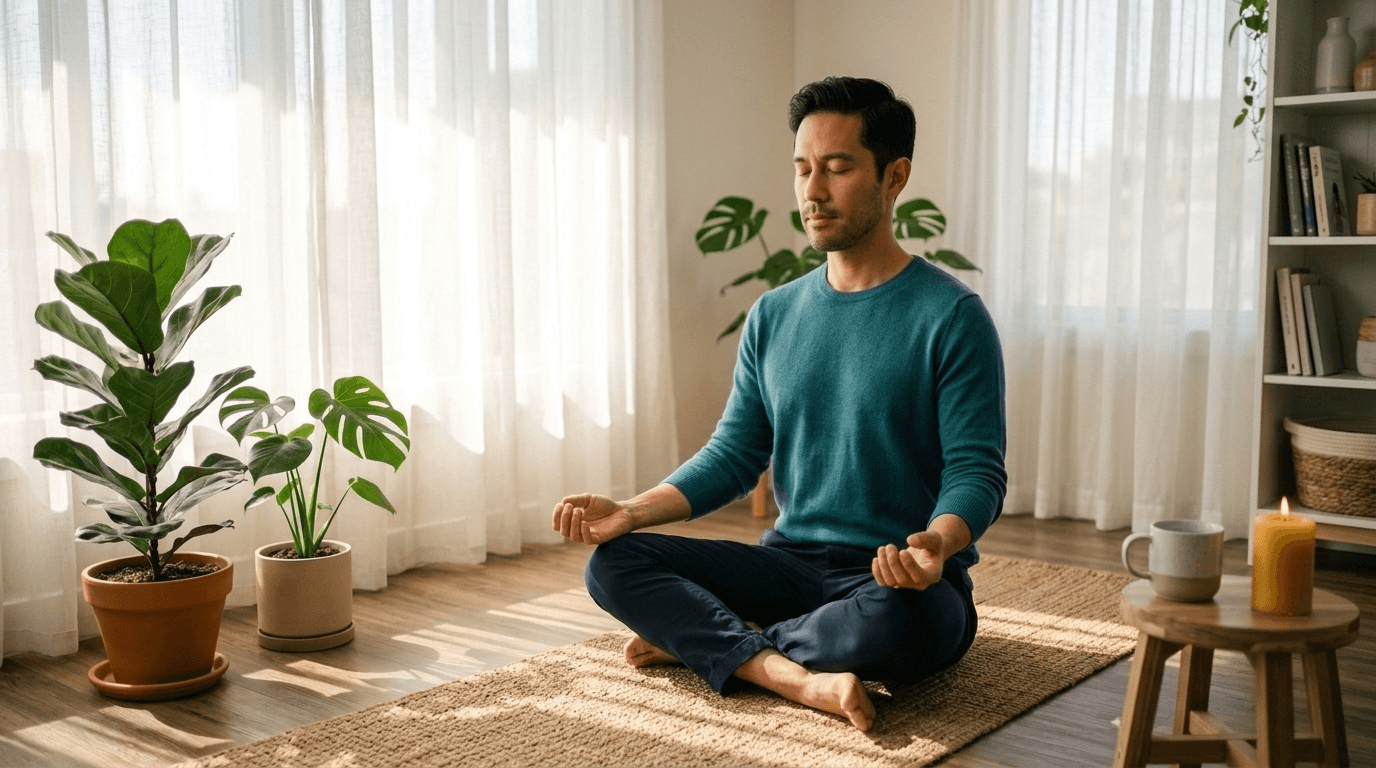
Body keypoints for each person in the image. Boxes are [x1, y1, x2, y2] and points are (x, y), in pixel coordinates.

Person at [551, 76, 1006, 732]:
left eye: (838, 168)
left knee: (913, 627)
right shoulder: (774, 314)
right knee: (615, 562)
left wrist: (937, 543)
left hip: (895, 581)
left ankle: (710, 643)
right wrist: (629, 511)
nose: (812, 192)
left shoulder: (951, 315)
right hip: (789, 566)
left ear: (894, 176)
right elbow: (737, 454)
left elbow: (976, 470)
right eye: (802, 169)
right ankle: (787, 673)